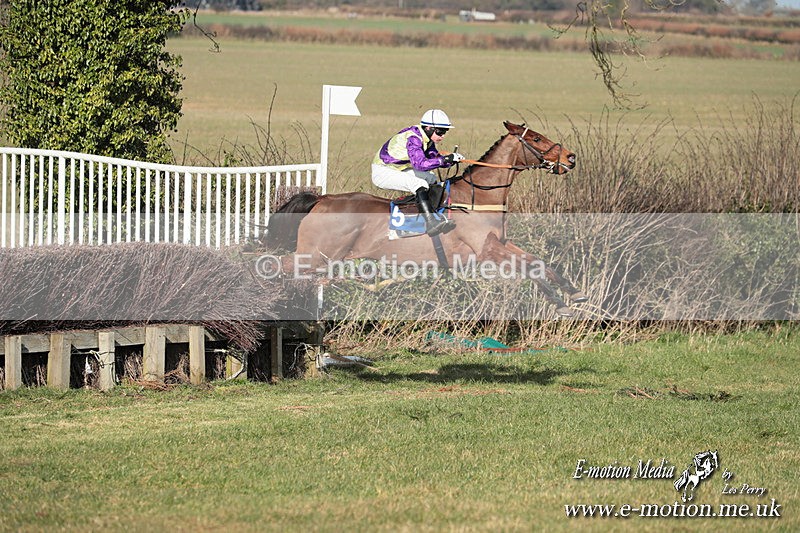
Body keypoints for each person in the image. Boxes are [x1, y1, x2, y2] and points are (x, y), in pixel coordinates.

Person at [372, 109, 464, 236]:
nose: (442, 136)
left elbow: (433, 158)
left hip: (397, 168)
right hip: (382, 171)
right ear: (428, 128)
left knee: (431, 179)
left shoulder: (427, 138)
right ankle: (430, 223)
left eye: (445, 132)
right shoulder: (414, 138)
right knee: (419, 184)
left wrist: (451, 160)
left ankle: (434, 214)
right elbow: (420, 164)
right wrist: (444, 160)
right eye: (440, 131)